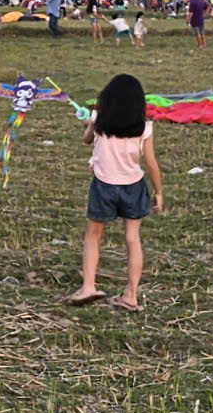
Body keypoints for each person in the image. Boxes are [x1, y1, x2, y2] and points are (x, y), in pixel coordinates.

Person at [66, 74, 163, 311]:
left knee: (93, 235)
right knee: (132, 239)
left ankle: (89, 286)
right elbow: (150, 162)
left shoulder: (99, 119)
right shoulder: (145, 127)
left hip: (103, 185)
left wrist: (89, 122)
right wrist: (158, 191)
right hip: (134, 185)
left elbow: (86, 140)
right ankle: (131, 295)